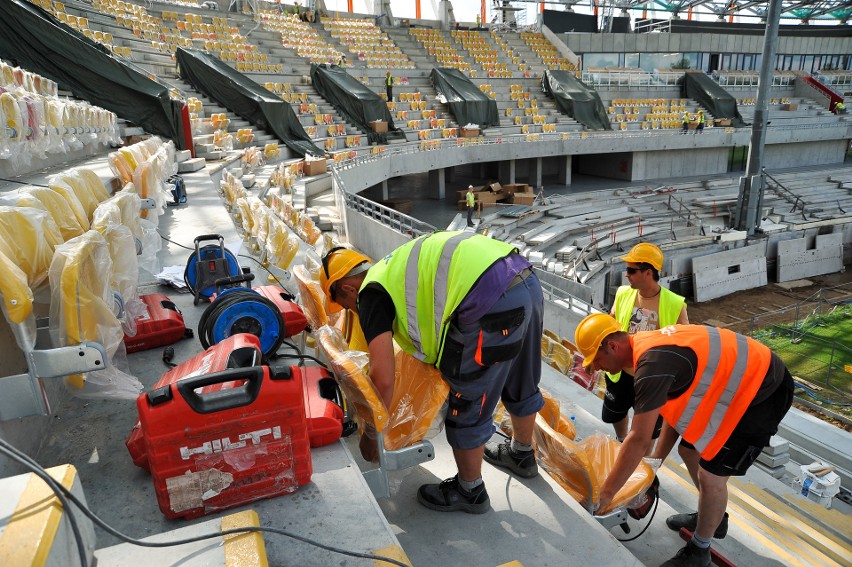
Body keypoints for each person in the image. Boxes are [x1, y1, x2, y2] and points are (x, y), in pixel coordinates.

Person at [320, 234, 544, 514]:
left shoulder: (370, 294)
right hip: (524, 278)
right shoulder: (391, 269)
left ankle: (470, 490)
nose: (349, 310)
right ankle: (522, 454)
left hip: (488, 299)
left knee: (468, 395)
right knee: (520, 374)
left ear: (347, 289)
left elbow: (383, 380)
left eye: (343, 304)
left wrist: (370, 436)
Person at [575, 314, 793, 567]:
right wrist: (652, 466)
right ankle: (715, 518)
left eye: (597, 359)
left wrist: (606, 496)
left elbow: (638, 440)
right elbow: (673, 413)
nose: (597, 367)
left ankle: (699, 551)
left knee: (711, 475)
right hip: (740, 386)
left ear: (612, 346)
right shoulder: (645, 349)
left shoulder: (651, 365)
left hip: (763, 394)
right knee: (690, 451)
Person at [604, 243, 688, 444]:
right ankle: (621, 439)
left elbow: (685, 343)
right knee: (615, 413)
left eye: (631, 270)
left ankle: (643, 463)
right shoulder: (623, 294)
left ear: (648, 272)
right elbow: (610, 324)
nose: (626, 275)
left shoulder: (675, 304)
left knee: (649, 430)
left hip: (652, 380)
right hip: (622, 373)